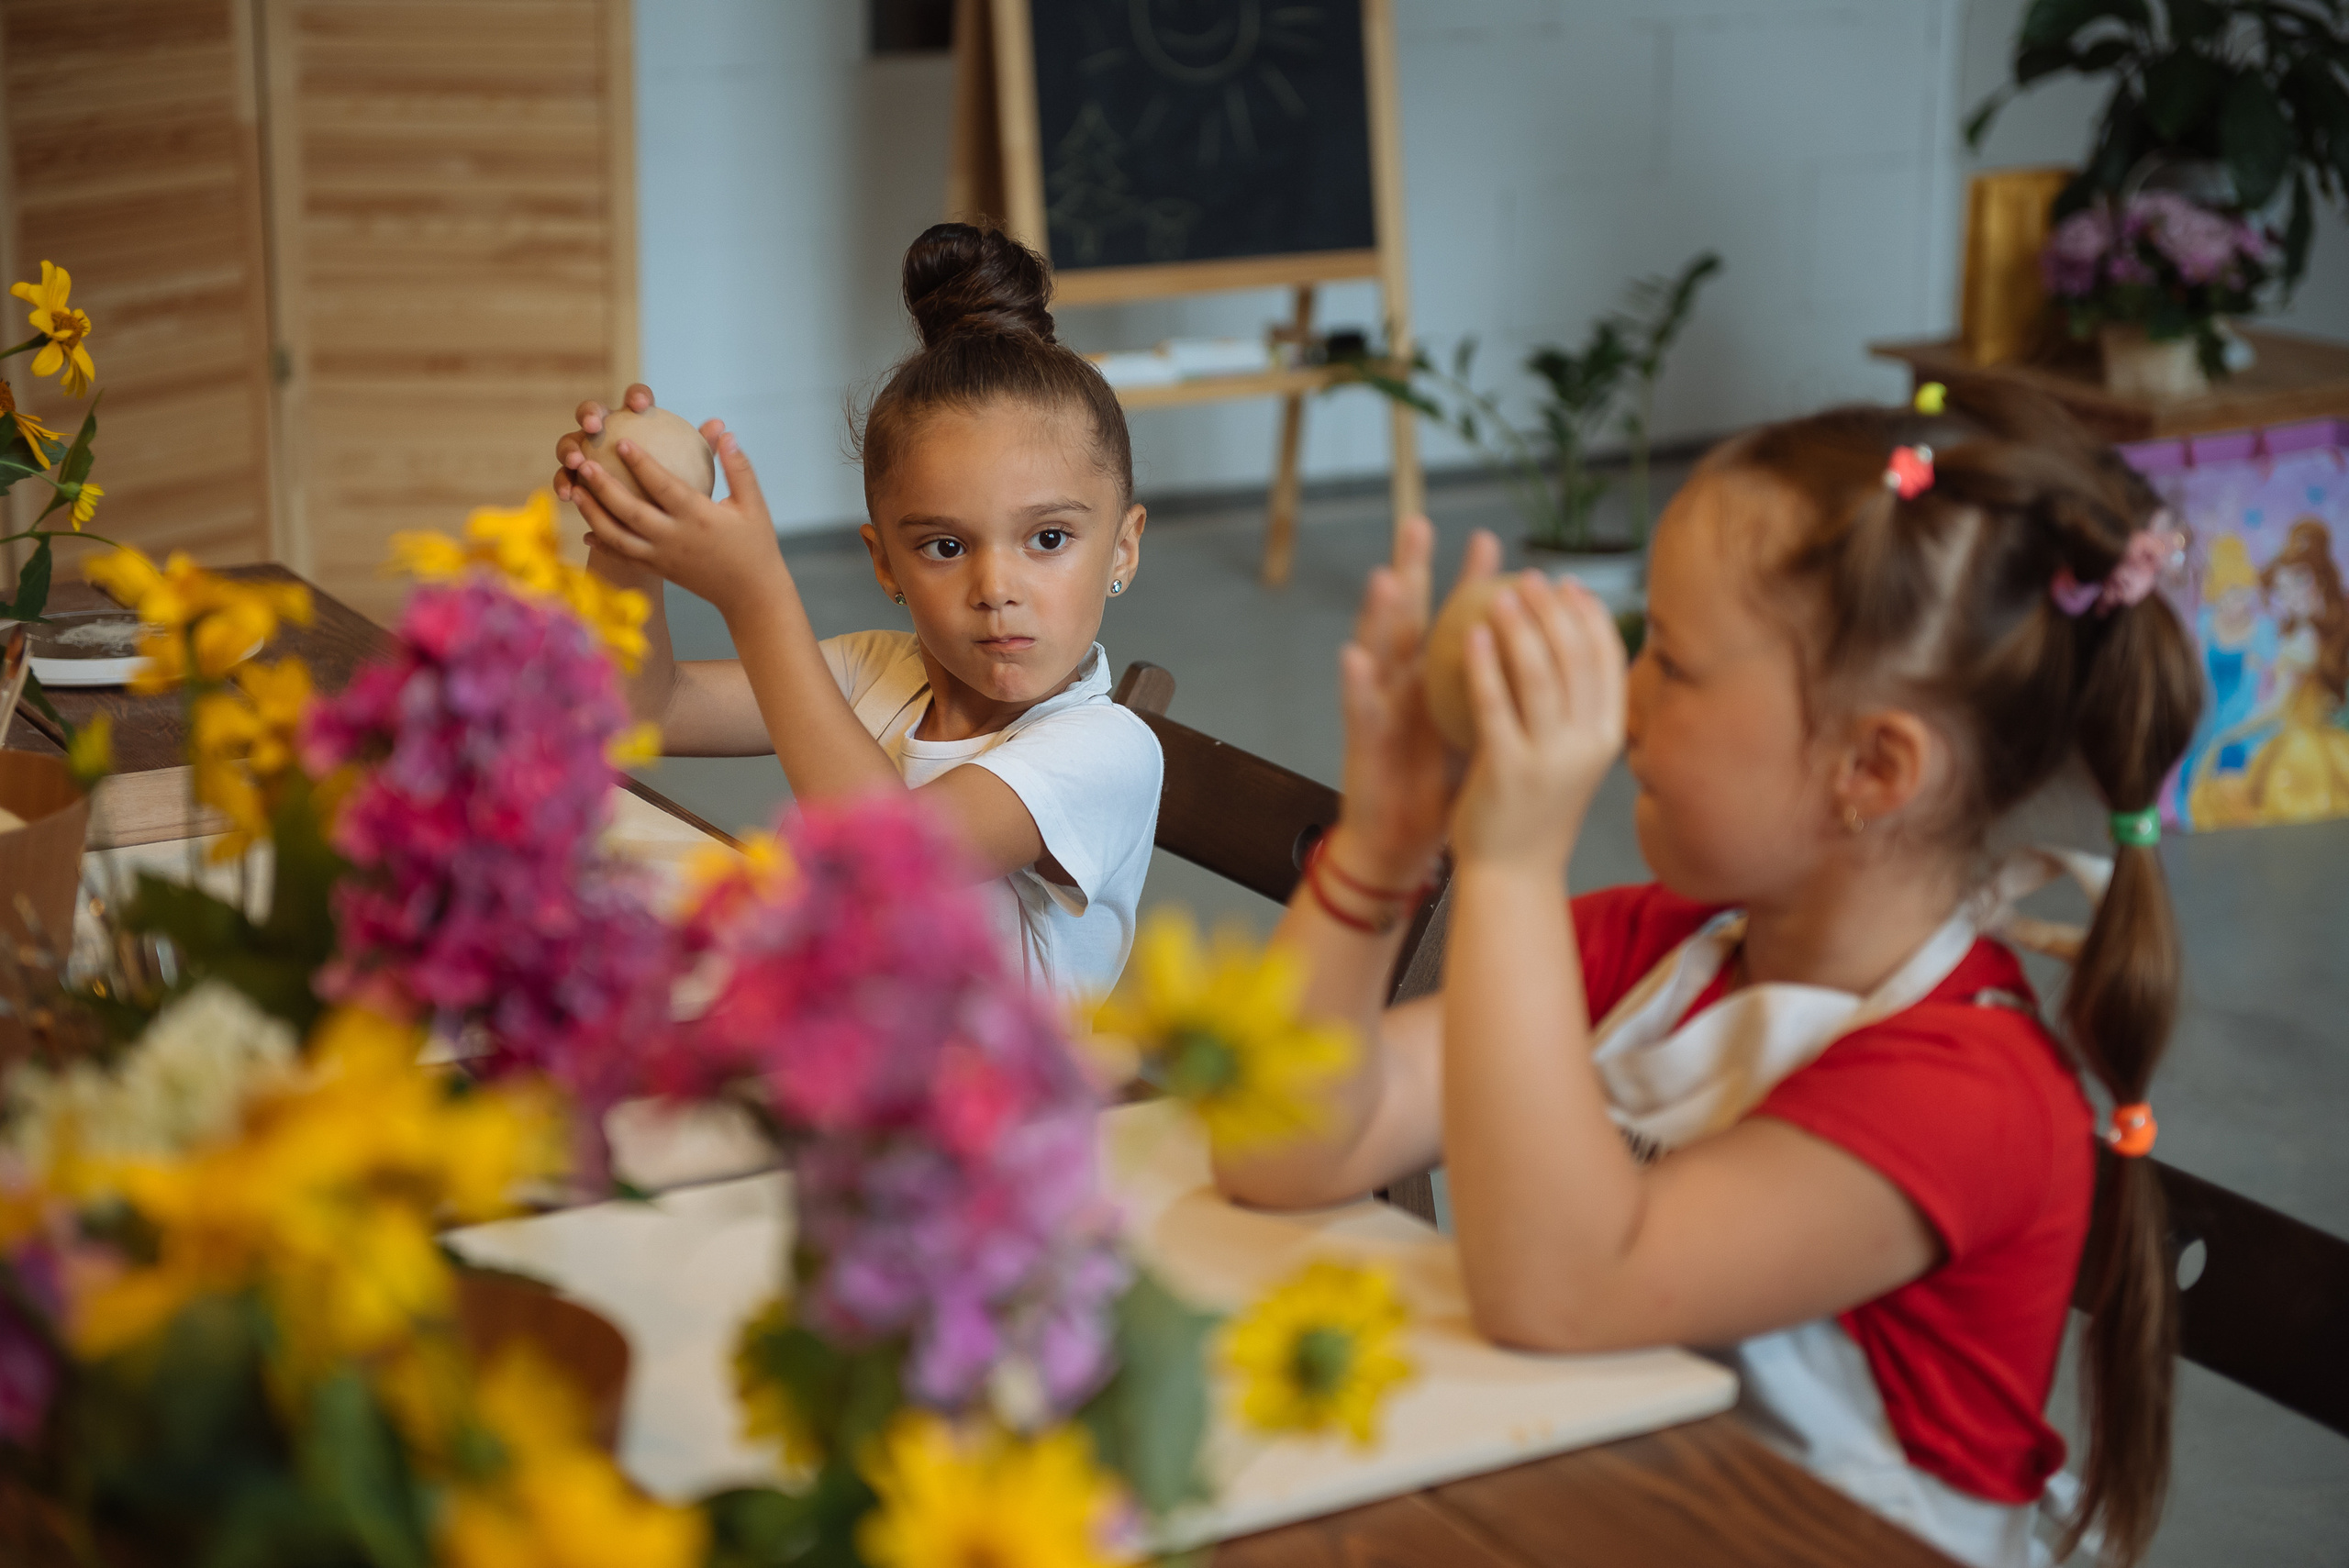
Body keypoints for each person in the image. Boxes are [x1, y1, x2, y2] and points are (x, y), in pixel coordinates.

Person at [1217, 384, 2200, 1568]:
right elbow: (1286, 1143)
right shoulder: (1660, 951)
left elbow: (1567, 1288)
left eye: (1671, 663)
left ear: (1872, 766)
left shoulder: (1971, 1093)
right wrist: (1383, 844)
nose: (1624, 697)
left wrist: (1514, 858)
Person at [554, 223, 1161, 999]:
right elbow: (641, 711)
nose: (995, 586)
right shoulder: (878, 669)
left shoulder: (1108, 750)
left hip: (988, 1111)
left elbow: (889, 859)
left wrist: (756, 595)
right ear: (885, 563)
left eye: (1048, 537)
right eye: (945, 546)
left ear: (1123, 548)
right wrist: (625, 543)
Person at [2188, 518, 2349, 826]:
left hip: (2303, 752)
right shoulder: (2303, 636)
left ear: (2321, 580)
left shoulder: (2303, 642)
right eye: (2283, 588)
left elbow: (2276, 708)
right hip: (2313, 746)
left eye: (2300, 582)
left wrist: (2227, 737)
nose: (2291, 596)